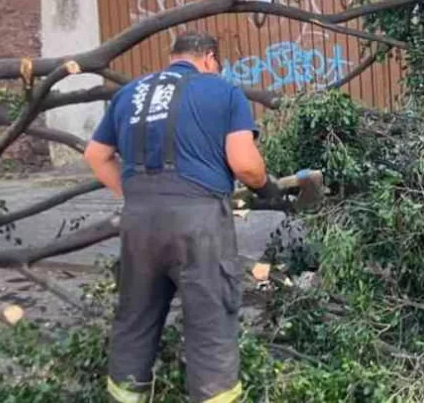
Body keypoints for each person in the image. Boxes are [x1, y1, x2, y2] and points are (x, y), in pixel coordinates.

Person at [83, 32, 281, 403]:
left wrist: (137, 197)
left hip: (139, 223)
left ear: (173, 57)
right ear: (209, 59)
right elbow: (245, 165)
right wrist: (267, 187)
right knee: (211, 328)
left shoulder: (130, 93)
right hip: (199, 226)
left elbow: (96, 155)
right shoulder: (223, 91)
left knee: (134, 322)